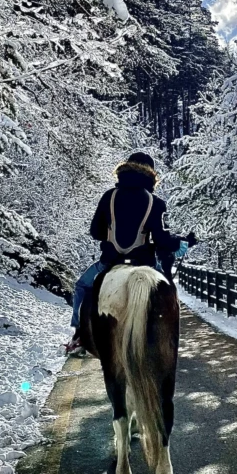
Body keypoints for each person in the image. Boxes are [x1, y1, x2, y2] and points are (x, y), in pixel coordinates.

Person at [65, 151, 196, 354]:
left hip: (110, 262)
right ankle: (169, 337)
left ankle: (80, 335)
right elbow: (162, 240)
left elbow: (95, 232)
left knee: (82, 287)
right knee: (167, 292)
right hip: (144, 263)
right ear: (151, 173)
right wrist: (181, 242)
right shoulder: (156, 203)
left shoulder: (109, 197)